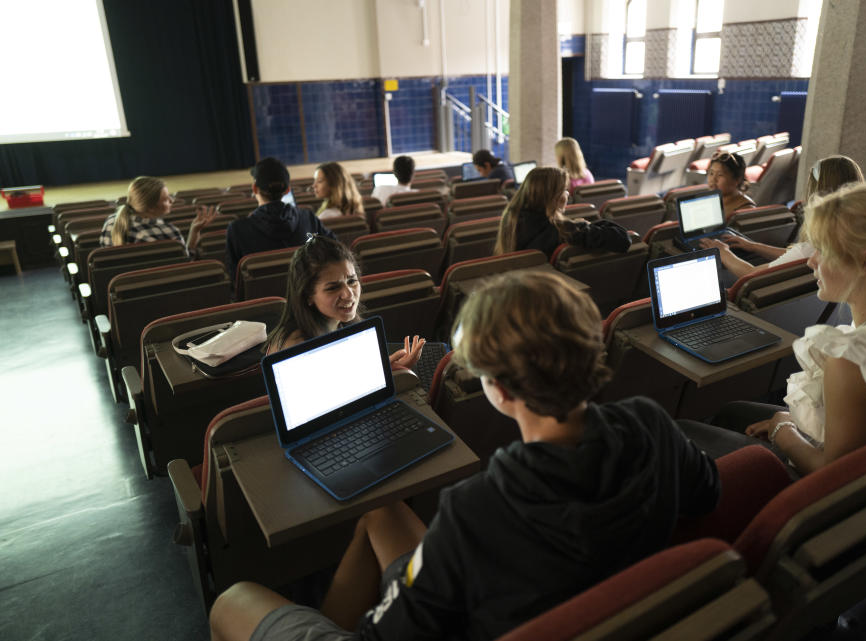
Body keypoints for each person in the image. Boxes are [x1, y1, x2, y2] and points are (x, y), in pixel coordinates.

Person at [210, 269, 720, 641]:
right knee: (381, 513)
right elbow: (706, 495)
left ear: (496, 388)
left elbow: (389, 635)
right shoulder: (651, 424)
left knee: (232, 602)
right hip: (606, 605)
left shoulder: (476, 511)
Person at [678, 180, 866, 476]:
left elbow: (834, 477)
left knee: (683, 429)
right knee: (732, 411)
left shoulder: (852, 359)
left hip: (815, 501)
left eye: (823, 250)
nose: (811, 260)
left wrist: (783, 431)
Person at [264, 234, 424, 370]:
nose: (349, 294)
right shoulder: (295, 348)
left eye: (352, 281)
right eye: (333, 288)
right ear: (308, 295)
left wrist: (386, 369)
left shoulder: (339, 323)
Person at [700, 155, 864, 280]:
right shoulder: (856, 238)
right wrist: (755, 246)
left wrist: (723, 253)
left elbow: (750, 274)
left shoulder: (815, 248)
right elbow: (792, 256)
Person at [225, 157, 335, 282]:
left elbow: (235, 282)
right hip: (306, 298)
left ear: (255, 188)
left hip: (263, 301)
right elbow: (335, 251)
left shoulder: (237, 230)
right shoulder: (308, 218)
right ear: (288, 189)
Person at [494, 166, 630, 256]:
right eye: (565, 190)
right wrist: (583, 225)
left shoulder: (511, 220)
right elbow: (623, 239)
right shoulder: (562, 231)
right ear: (554, 197)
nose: (568, 195)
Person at [99, 176, 216, 251]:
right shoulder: (167, 231)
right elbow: (185, 263)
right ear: (150, 208)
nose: (172, 200)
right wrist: (195, 231)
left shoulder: (111, 222)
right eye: (165, 199)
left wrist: (194, 230)